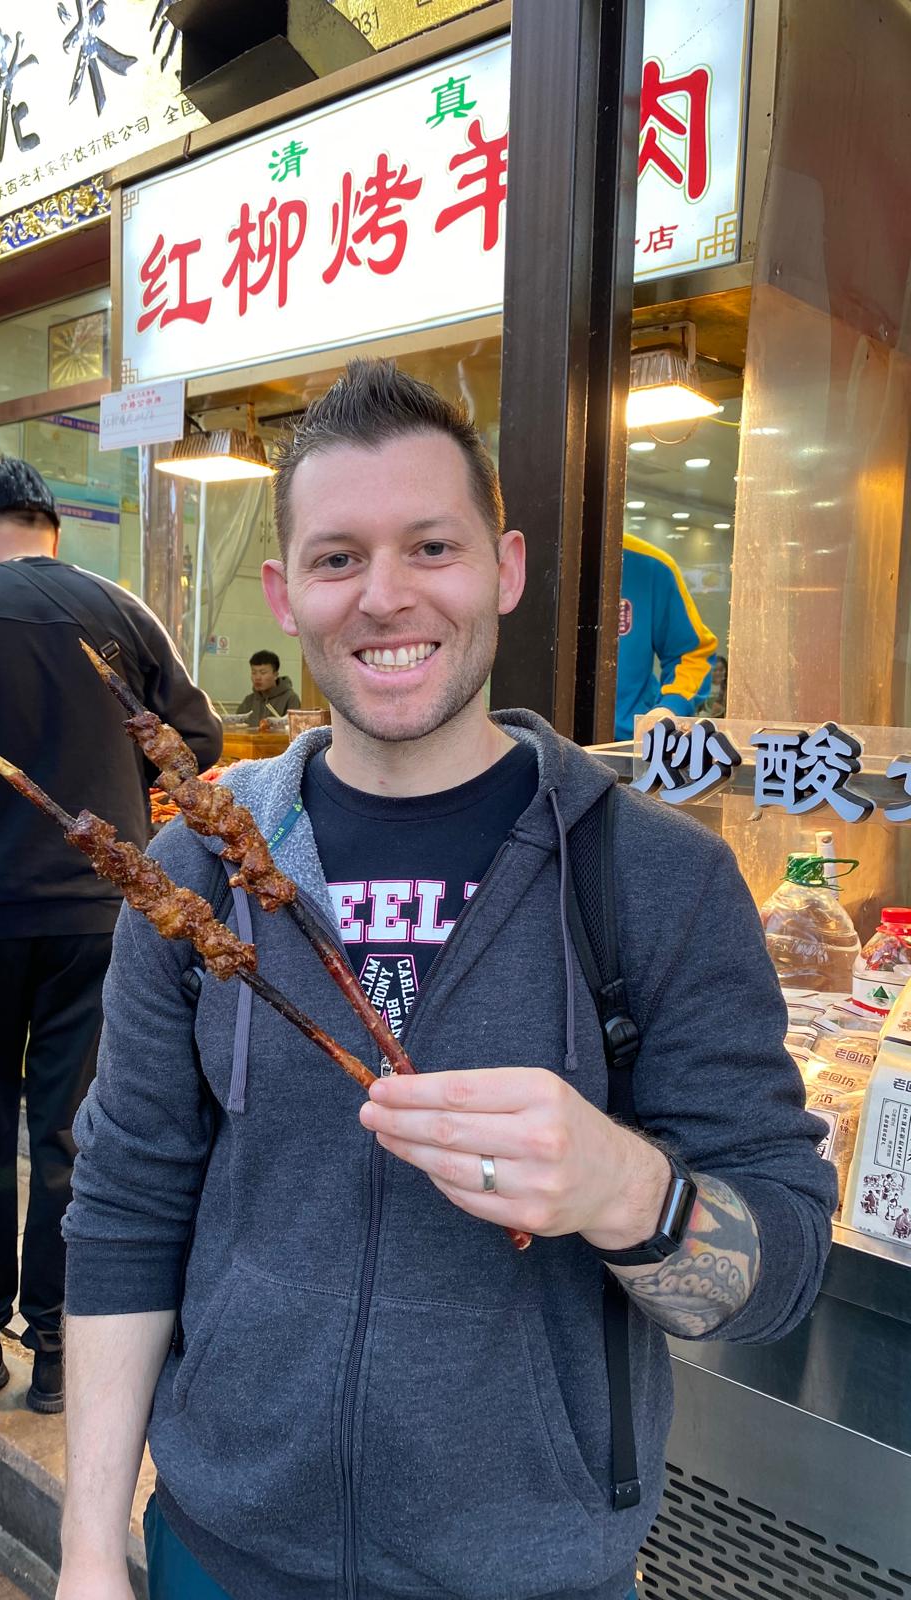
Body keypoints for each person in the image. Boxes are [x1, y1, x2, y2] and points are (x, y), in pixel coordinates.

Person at [57, 362, 835, 1600]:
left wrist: (626, 1187)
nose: (384, 597)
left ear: (506, 568)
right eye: (336, 558)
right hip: (220, 1546)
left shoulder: (655, 881)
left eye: (431, 546)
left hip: (537, 1570)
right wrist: (92, 1549)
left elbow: (782, 1266)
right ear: (285, 593)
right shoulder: (194, 865)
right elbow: (127, 1207)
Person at [0, 457, 221, 1416]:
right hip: (106, 920)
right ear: (49, 522)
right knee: (75, 1137)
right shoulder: (124, 610)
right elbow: (198, 743)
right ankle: (60, 1348)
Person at [615, 531, 717, 740]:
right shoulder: (531, 552)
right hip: (534, 746)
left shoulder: (650, 566)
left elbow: (693, 653)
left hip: (621, 748)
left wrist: (670, 707)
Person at [236, 648, 300, 726]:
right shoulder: (249, 701)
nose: (257, 677)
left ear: (275, 675)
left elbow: (295, 728)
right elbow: (237, 727)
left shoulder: (290, 698)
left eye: (263, 673)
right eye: (254, 672)